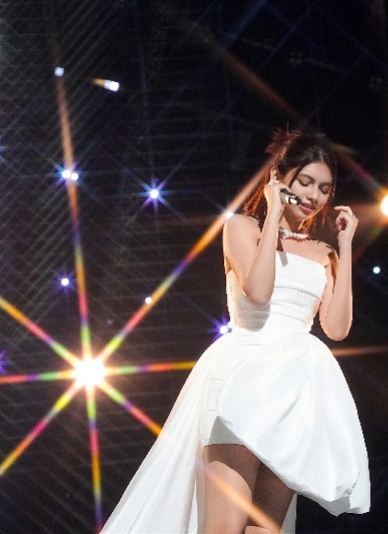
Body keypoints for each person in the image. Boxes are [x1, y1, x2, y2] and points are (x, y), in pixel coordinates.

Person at [101, 130, 370, 534]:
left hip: (295, 386)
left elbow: (336, 328)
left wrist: (345, 246)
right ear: (279, 177)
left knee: (265, 530)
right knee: (225, 528)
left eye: (325, 188)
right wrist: (274, 215)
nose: (314, 196)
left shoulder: (323, 253)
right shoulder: (242, 228)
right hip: (243, 377)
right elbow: (258, 292)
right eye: (305, 182)